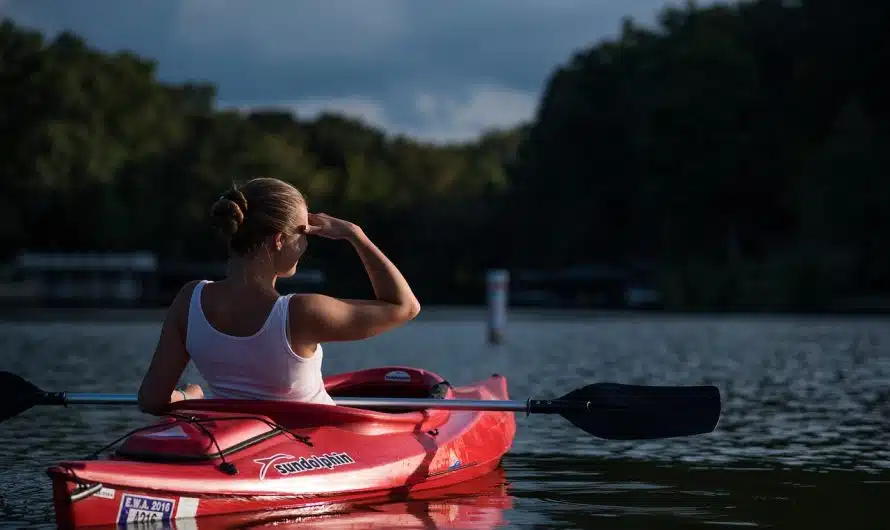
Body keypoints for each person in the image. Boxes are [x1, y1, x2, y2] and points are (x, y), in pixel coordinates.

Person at [137, 177, 421, 414]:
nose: (306, 243)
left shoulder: (190, 300)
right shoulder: (301, 312)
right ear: (280, 240)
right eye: (304, 232)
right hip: (312, 452)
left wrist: (189, 399)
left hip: (241, 446)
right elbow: (405, 306)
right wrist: (355, 235)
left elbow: (152, 400)